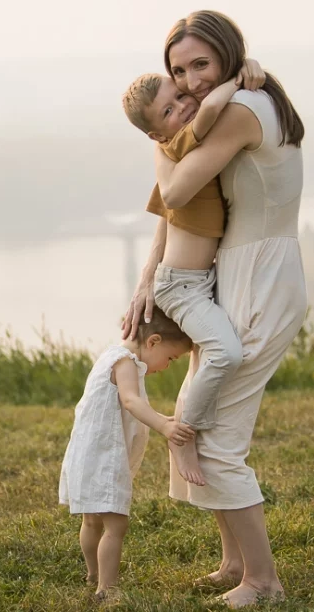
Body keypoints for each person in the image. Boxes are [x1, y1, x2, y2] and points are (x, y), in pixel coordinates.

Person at [123, 10, 308, 608]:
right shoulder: (227, 104)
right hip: (229, 275)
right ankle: (234, 561)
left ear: (229, 54)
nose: (192, 80)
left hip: (260, 280)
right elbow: (181, 202)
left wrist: (166, 142)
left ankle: (264, 581)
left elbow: (174, 188)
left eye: (201, 65)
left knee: (218, 437)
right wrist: (148, 274)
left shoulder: (243, 110)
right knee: (200, 420)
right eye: (179, 71)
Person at [120, 73, 246, 487]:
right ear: (158, 132)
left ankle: (197, 425)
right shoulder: (177, 143)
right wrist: (239, 78)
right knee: (226, 353)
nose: (184, 107)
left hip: (199, 279)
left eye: (179, 96)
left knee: (214, 355)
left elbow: (164, 214)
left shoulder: (182, 153)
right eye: (170, 111)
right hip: (180, 285)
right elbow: (210, 108)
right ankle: (182, 434)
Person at [58, 306, 193, 602]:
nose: (168, 365)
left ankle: (93, 573)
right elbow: (130, 401)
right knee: (115, 525)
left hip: (86, 453)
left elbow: (121, 403)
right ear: (153, 341)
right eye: (171, 358)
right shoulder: (127, 362)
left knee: (92, 521)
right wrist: (163, 426)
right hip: (103, 456)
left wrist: (161, 416)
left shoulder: (111, 354)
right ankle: (107, 589)